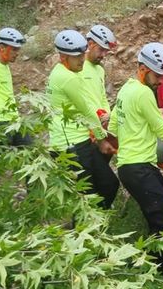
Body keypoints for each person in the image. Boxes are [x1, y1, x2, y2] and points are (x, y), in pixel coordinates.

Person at [108, 42, 163, 235]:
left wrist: (122, 150)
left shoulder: (126, 89)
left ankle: (155, 261)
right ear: (142, 69)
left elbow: (112, 129)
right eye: (157, 76)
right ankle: (158, 265)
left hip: (129, 167)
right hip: (140, 167)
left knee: (159, 216)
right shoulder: (144, 93)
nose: (161, 82)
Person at [46, 29, 119, 209]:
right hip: (70, 145)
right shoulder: (67, 78)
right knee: (89, 196)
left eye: (82, 54)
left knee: (107, 186)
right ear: (63, 57)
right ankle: (88, 230)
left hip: (79, 141)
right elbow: (87, 112)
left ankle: (96, 225)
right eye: (77, 56)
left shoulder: (62, 72)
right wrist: (102, 140)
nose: (81, 59)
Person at [81, 24, 117, 147]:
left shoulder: (99, 70)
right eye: (101, 50)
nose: (103, 55)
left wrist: (107, 116)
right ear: (91, 44)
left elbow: (102, 97)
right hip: (84, 129)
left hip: (100, 126)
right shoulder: (78, 67)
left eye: (106, 51)